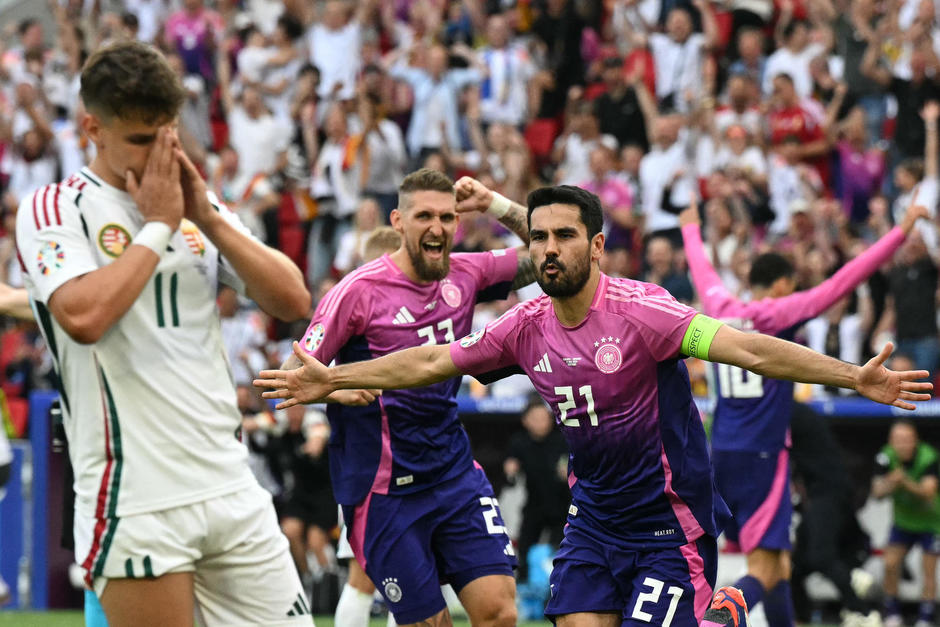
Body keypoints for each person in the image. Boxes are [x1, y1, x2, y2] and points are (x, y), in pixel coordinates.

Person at [256, 184, 932, 626]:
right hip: (594, 522)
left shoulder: (647, 313)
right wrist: (330, 381)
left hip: (667, 523)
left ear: (597, 246)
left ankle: (720, 609)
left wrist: (852, 376)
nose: (550, 249)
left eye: (565, 236)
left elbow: (749, 349)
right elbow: (436, 360)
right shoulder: (524, 326)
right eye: (541, 238)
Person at [15, 41, 312, 626]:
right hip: (136, 495)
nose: (158, 156)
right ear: (92, 129)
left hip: (230, 484)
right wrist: (157, 227)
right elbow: (83, 318)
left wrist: (205, 217)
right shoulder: (54, 208)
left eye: (167, 135)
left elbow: (293, 299)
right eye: (140, 141)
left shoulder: (193, 206)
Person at [284, 168, 536, 626]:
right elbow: (291, 376)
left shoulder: (468, 272)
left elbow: (548, 252)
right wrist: (341, 389)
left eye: (446, 217)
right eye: (424, 216)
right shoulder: (355, 292)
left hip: (453, 471)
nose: (437, 227)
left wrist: (494, 203)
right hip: (384, 488)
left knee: (500, 612)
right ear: (399, 221)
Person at [680, 196, 927, 626]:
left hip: (720, 453)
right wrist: (899, 231)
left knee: (782, 570)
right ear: (779, 285)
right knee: (765, 569)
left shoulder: (718, 307)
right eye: (790, 285)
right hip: (764, 456)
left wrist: (690, 229)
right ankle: (721, 617)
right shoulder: (778, 311)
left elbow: (702, 272)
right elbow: (842, 283)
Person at [872, 419, 940, 627]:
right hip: (903, 522)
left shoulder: (928, 457)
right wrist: (892, 481)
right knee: (890, 563)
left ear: (915, 440)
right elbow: (877, 492)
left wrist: (906, 482)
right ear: (891, 441)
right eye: (898, 440)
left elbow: (928, 493)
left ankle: (925, 616)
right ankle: (892, 612)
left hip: (931, 522)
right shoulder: (885, 457)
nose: (902, 445)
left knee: (928, 569)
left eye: (907, 440)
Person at [503, 398, 569, 582]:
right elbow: (510, 469)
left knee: (560, 551)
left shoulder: (563, 440)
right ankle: (524, 591)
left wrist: (569, 473)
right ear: (525, 421)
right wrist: (510, 469)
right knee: (524, 549)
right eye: (535, 418)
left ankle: (557, 590)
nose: (541, 422)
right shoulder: (519, 442)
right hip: (534, 504)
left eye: (544, 418)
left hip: (562, 506)